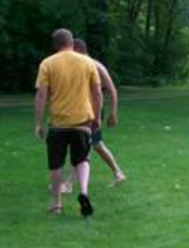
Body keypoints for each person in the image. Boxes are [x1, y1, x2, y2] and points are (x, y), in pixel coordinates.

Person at [34, 29, 102, 216]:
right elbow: (97, 92)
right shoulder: (87, 62)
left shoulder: (47, 63)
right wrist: (97, 118)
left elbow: (41, 95)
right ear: (72, 42)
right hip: (82, 122)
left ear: (55, 45)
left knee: (56, 165)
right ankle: (83, 192)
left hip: (58, 124)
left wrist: (38, 124)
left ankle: (57, 205)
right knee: (82, 159)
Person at [73, 39, 126, 184]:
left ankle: (117, 172)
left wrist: (113, 112)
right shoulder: (81, 65)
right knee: (87, 145)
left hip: (93, 112)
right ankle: (117, 173)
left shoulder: (95, 65)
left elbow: (112, 89)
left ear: (77, 50)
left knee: (88, 144)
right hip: (84, 111)